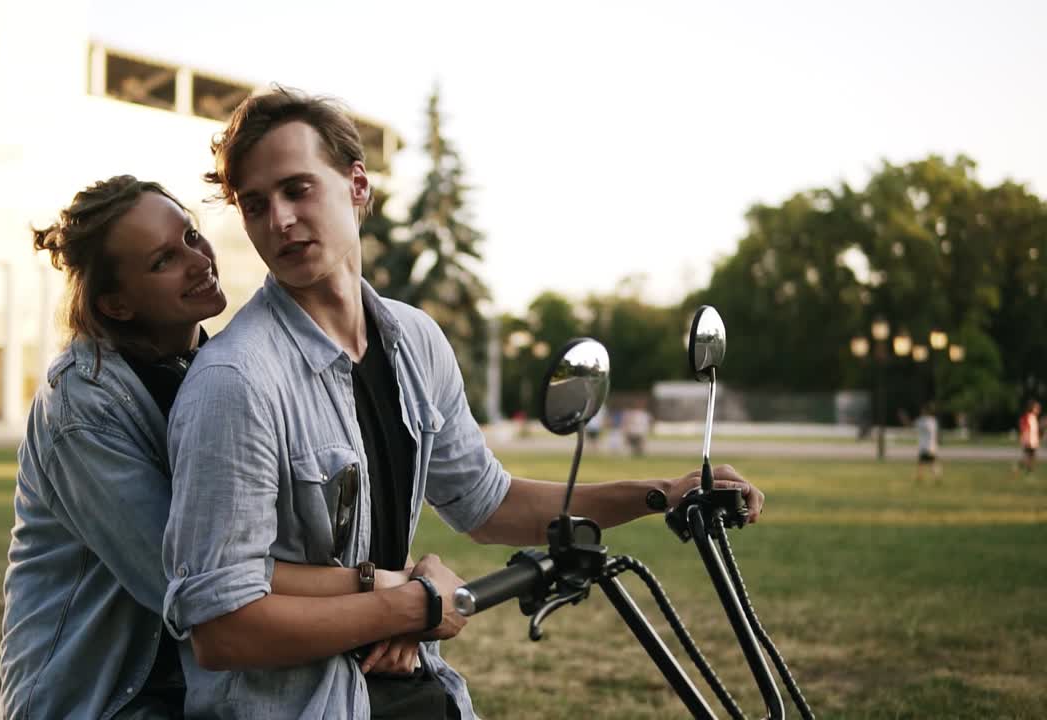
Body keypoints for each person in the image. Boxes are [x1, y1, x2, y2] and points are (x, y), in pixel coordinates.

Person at [161, 86, 766, 719]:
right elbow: (220, 627)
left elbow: (486, 502)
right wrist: (409, 605)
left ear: (357, 186)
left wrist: (661, 493)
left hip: (417, 686)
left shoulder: (413, 340)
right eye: (256, 205)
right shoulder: (235, 380)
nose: (279, 220)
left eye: (297, 189)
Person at [0, 176, 418, 720]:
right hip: (102, 699)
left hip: (204, 687)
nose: (199, 261)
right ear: (117, 305)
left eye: (191, 236)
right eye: (163, 261)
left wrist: (401, 596)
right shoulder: (82, 409)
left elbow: (292, 532)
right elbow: (196, 581)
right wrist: (384, 593)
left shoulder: (220, 371)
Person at [902, 403, 941, 483]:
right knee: (924, 463)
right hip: (928, 446)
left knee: (928, 463)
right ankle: (924, 478)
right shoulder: (931, 421)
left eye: (923, 410)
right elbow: (936, 434)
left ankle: (934, 478)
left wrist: (904, 418)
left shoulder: (925, 421)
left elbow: (910, 425)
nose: (922, 411)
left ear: (926, 411)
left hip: (927, 447)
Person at [1018, 400, 1041, 476]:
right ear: (1032, 408)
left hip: (1033, 440)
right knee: (1027, 456)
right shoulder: (1029, 416)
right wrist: (1025, 438)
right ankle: (1022, 469)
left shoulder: (1034, 417)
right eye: (1036, 408)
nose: (1038, 410)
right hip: (1029, 440)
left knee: (1032, 456)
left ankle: (1028, 471)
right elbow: (1024, 428)